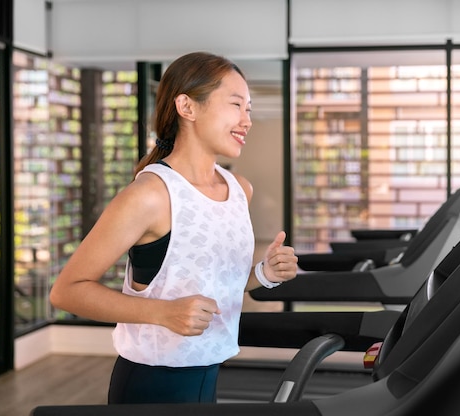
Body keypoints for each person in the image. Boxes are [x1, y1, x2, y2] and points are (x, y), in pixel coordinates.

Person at [49, 51, 299, 404]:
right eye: (236, 104)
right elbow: (66, 291)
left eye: (250, 109)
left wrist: (264, 273)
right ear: (187, 106)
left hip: (210, 374)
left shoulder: (240, 189)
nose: (247, 120)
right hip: (150, 384)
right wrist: (162, 313)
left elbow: (214, 283)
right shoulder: (150, 195)